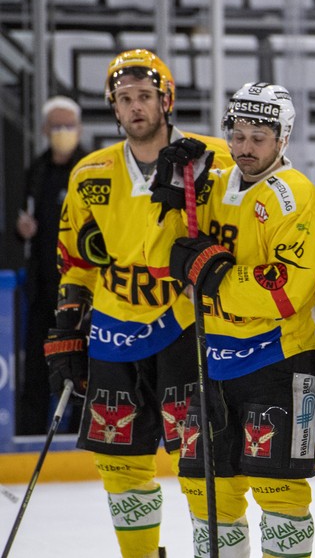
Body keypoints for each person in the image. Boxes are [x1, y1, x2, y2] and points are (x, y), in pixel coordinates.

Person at [45, 49, 233, 558]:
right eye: (124, 99)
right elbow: (75, 260)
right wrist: (66, 325)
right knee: (119, 463)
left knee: (198, 459)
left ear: (165, 100)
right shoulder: (90, 172)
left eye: (145, 96)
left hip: (185, 325)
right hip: (113, 330)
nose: (135, 107)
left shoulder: (212, 157)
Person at [142, 81, 315, 557]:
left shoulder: (296, 196)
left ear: (282, 138)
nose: (244, 147)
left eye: (258, 137)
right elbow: (160, 261)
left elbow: (285, 291)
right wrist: (165, 195)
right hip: (212, 362)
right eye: (238, 134)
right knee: (208, 494)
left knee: (278, 492)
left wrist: (213, 272)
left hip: (280, 362)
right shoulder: (212, 182)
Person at [15, 95, 88, 435]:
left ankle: (80, 434)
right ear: (45, 129)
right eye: (56, 126)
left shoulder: (92, 169)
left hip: (84, 289)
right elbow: (19, 221)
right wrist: (21, 230)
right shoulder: (36, 171)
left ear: (80, 128)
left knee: (82, 366)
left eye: (68, 125)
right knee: (36, 366)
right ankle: (30, 435)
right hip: (43, 286)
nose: (63, 132)